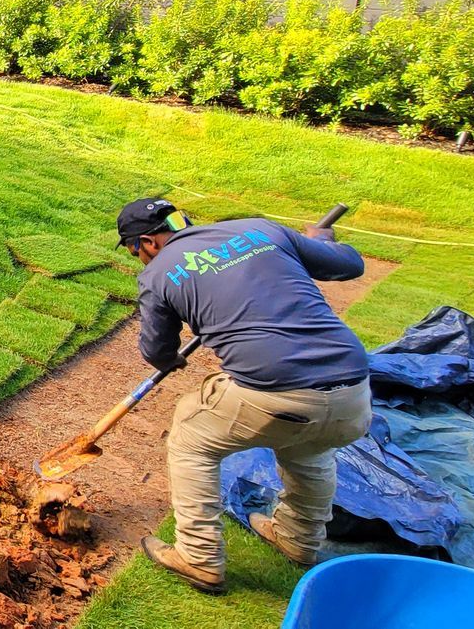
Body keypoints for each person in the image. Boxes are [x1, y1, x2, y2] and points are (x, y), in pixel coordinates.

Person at [115, 198, 372, 594]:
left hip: (277, 391)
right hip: (353, 392)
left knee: (190, 434)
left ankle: (198, 557)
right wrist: (320, 240)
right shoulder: (262, 230)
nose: (139, 259)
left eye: (134, 251)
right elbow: (351, 264)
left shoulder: (160, 272)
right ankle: (299, 540)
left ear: (146, 242)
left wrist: (172, 360)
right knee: (311, 449)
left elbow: (156, 352)